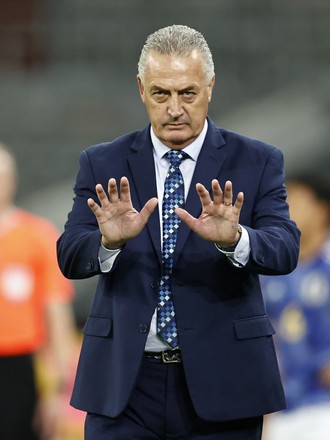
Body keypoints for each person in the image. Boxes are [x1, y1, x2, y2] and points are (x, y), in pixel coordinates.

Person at [57, 25, 300, 440]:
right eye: (160, 94)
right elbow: (69, 255)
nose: (174, 109)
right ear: (140, 89)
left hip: (225, 382)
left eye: (187, 93)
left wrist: (236, 238)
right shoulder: (102, 162)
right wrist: (107, 242)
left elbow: (284, 249)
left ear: (210, 87)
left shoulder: (257, 161)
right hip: (123, 387)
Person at [0, 143, 76, 440]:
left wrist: (57, 391)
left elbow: (56, 313)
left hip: (19, 367)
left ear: (13, 181)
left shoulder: (37, 237)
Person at [261, 174, 330, 440]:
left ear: (322, 210)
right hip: (288, 413)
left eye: (297, 202)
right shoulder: (272, 277)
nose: (286, 212)